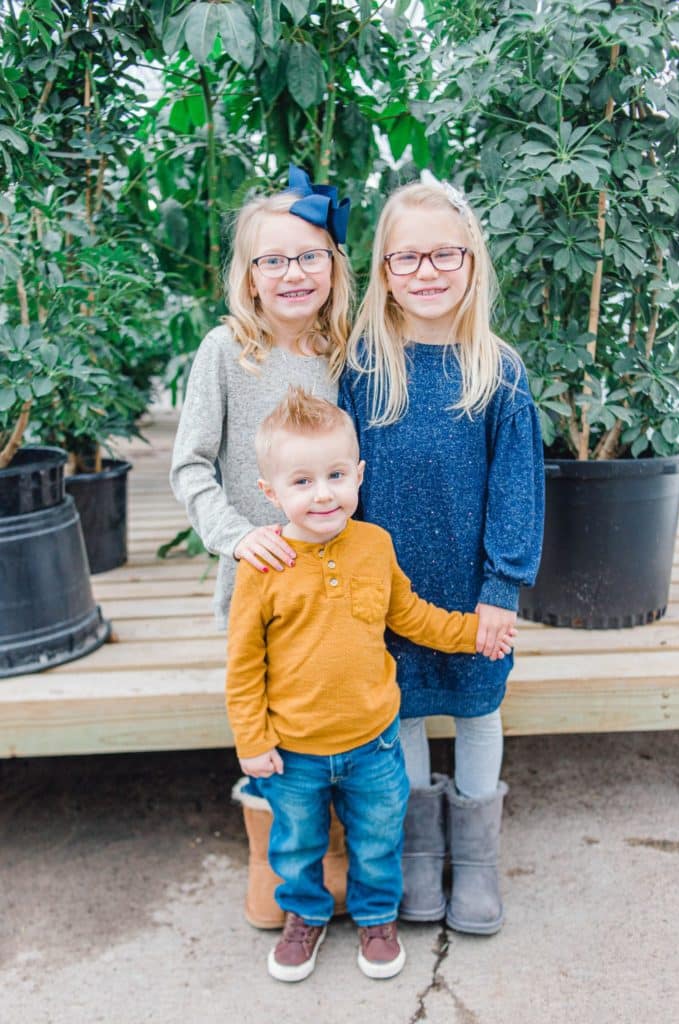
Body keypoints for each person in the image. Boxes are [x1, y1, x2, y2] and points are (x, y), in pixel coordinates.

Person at [226, 387, 517, 983]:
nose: (323, 493)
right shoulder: (263, 566)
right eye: (301, 481)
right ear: (270, 493)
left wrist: (472, 634)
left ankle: (377, 917)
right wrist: (251, 740)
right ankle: (304, 916)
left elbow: (410, 616)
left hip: (374, 743)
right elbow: (243, 663)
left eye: (336, 474)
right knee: (297, 845)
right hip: (296, 751)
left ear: (359, 474)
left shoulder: (375, 546)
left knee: (380, 838)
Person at [339, 173, 544, 936]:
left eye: (442, 256)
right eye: (406, 259)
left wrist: (501, 586)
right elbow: (344, 488)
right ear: (385, 275)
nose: (425, 273)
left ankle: (478, 865)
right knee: (404, 715)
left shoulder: (499, 371)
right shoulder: (364, 368)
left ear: (471, 262)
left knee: (478, 710)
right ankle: (417, 855)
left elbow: (516, 489)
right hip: (389, 591)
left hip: (470, 589)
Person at [170, 165, 353, 929]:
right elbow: (189, 465)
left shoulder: (347, 349)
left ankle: (336, 851)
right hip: (260, 579)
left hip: (339, 579)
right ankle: (271, 858)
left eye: (308, 256)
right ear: (246, 277)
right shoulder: (224, 351)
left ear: (334, 267)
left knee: (336, 709)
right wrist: (238, 537)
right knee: (266, 722)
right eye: (271, 260)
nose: (291, 273)